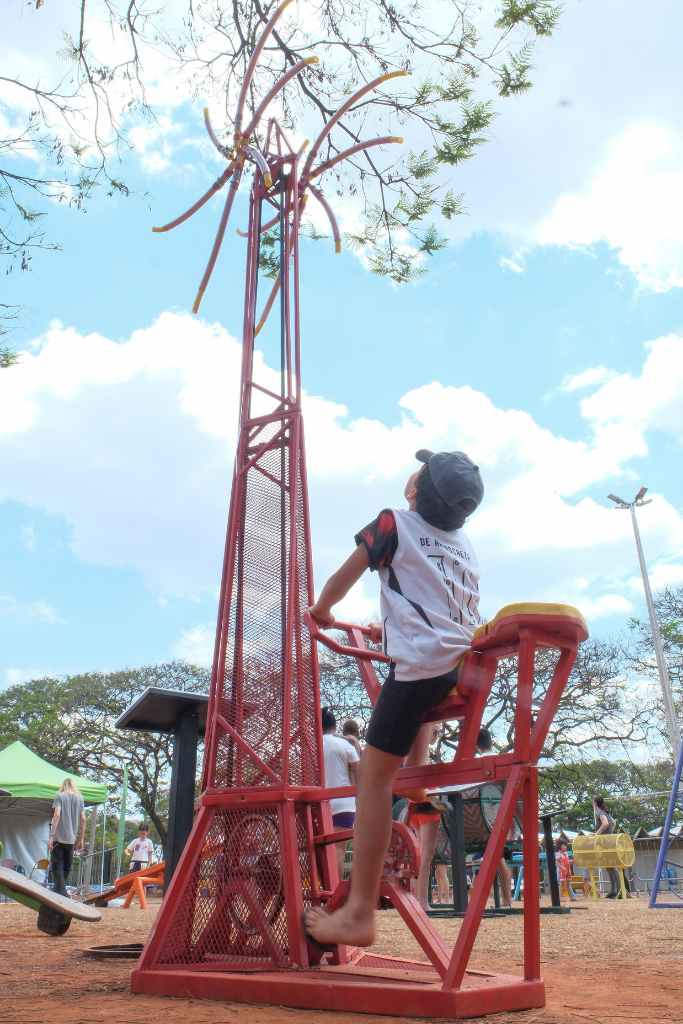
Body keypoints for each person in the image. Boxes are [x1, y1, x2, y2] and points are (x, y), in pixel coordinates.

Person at [305, 448, 484, 946]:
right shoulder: (463, 543)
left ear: (415, 490)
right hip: (460, 665)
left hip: (422, 667)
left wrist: (321, 610)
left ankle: (359, 912)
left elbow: (343, 577)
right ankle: (416, 779)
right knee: (410, 725)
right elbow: (435, 606)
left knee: (374, 780)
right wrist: (385, 632)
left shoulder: (393, 522)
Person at [322, 708, 360, 876]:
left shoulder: (312, 745)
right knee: (341, 848)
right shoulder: (344, 744)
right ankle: (338, 893)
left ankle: (327, 890)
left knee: (323, 849)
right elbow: (359, 772)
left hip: (319, 803)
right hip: (344, 803)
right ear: (334, 726)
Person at [49, 778, 85, 896]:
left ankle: (61, 892)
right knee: (66, 867)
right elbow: (83, 819)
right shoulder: (80, 798)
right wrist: (81, 838)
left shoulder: (59, 795)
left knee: (57, 866)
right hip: (71, 839)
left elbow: (57, 815)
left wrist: (51, 836)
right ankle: (60, 891)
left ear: (63, 785)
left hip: (58, 839)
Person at [593, 795, 620, 898]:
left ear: (595, 803)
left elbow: (605, 824)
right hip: (608, 841)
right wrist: (610, 834)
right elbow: (613, 822)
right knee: (609, 867)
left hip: (605, 843)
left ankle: (617, 890)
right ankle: (614, 890)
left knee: (611, 867)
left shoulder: (599, 812)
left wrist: (597, 834)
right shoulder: (604, 811)